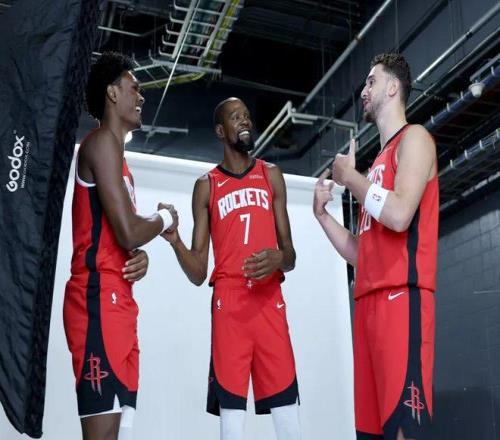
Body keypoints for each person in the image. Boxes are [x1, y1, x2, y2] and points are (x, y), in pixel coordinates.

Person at [160, 97, 301, 440]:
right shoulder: (206, 186)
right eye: (236, 118)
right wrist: (175, 241)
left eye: (247, 116)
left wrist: (278, 258)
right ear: (221, 131)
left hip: (269, 301)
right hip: (230, 305)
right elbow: (198, 272)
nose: (245, 122)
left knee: (287, 413)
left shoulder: (271, 175)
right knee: (232, 420)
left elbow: (291, 254)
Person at [314, 53, 438, 440]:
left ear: (393, 87)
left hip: (402, 300)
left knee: (403, 427)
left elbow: (400, 215)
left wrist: (350, 178)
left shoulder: (415, 138)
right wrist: (323, 217)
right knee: (369, 432)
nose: (364, 91)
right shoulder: (375, 167)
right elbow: (361, 253)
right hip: (367, 304)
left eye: (371, 81)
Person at [63, 52, 178, 440]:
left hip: (119, 300)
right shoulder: (100, 144)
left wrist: (139, 257)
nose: (141, 97)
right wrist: (166, 218)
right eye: (134, 88)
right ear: (112, 93)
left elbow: (123, 236)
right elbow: (129, 231)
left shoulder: (120, 162)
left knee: (121, 432)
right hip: (96, 299)